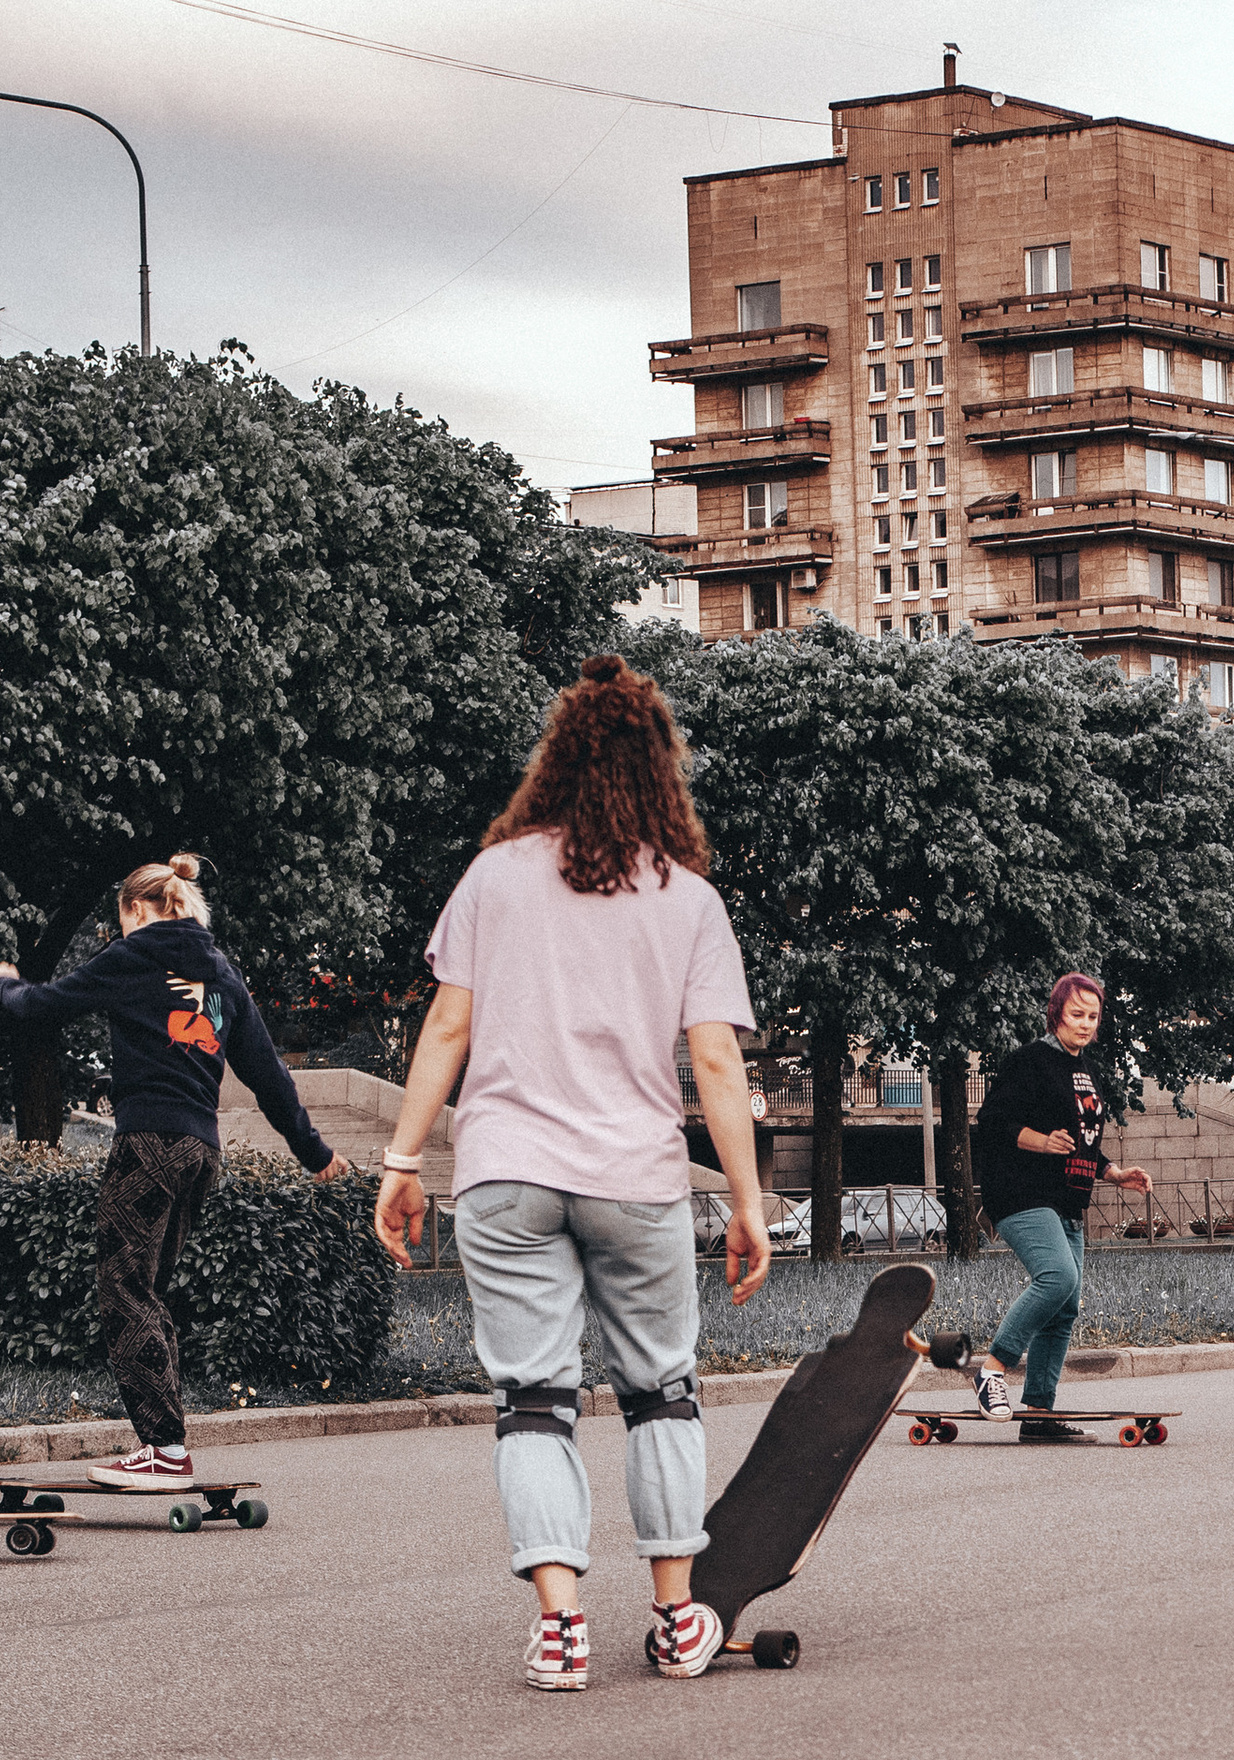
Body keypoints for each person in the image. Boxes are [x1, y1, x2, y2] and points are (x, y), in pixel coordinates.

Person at [373, 654, 772, 1692]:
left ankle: (561, 1626)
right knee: (661, 1393)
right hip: (635, 1178)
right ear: (657, 772)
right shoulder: (686, 898)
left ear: (553, 764)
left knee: (534, 1403)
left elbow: (448, 1025)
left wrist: (402, 1158)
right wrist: (748, 1200)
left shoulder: (495, 876)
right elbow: (717, 1060)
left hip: (507, 1173)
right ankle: (679, 1614)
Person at [0, 857, 351, 1491]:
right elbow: (268, 1074)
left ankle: (163, 1449)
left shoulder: (133, 955)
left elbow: (43, 1008)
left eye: (121, 918)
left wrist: (5, 983)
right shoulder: (221, 975)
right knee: (148, 1289)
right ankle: (166, 1442)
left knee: (123, 1288)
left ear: (137, 909)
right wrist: (316, 1153)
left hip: (148, 1143)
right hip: (199, 1152)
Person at [970, 974, 1156, 1444]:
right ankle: (992, 1371)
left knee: (1064, 1307)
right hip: (1020, 1193)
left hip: (1068, 1200)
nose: (1085, 1024)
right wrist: (1040, 1141)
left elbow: (1084, 1142)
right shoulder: (1029, 1061)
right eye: (1077, 1014)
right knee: (1058, 1277)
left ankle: (1038, 1415)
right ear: (1056, 1013)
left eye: (1093, 1017)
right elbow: (991, 1122)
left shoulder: (1087, 1071)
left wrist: (1114, 1173)